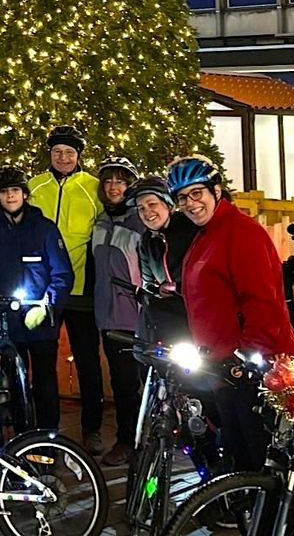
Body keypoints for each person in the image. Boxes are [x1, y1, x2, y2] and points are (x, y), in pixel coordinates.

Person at [167, 153, 294, 471]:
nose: (190, 203)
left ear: (216, 190)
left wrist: (244, 360)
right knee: (241, 457)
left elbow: (263, 304)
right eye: (182, 197)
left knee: (261, 463)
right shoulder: (206, 234)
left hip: (255, 372)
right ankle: (248, 515)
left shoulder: (241, 232)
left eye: (196, 193)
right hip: (223, 369)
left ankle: (278, 522)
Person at [0, 164, 73, 429]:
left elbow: (62, 274)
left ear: (24, 194)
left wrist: (47, 305)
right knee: (12, 379)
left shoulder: (44, 228)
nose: (10, 196)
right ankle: (21, 435)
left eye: (15, 191)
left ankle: (48, 436)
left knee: (44, 378)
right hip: (7, 319)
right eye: (4, 192)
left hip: (40, 319)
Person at [27, 124, 104, 453]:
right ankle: (47, 428)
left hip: (82, 290)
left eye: (69, 152)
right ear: (50, 154)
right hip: (43, 290)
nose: (63, 157)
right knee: (42, 361)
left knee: (87, 361)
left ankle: (92, 428)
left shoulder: (93, 188)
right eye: (57, 151)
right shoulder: (33, 186)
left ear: (78, 156)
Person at [89, 156, 146, 466]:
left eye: (120, 181)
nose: (113, 187)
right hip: (106, 316)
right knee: (122, 382)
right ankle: (130, 439)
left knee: (135, 382)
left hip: (134, 316)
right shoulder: (100, 222)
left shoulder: (139, 221)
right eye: (109, 181)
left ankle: (134, 441)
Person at [128, 175, 196, 344]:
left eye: (152, 204)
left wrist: (180, 287)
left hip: (202, 316)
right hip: (172, 322)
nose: (147, 212)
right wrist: (158, 291)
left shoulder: (192, 229)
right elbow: (148, 283)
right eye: (141, 208)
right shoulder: (147, 241)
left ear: (168, 204)